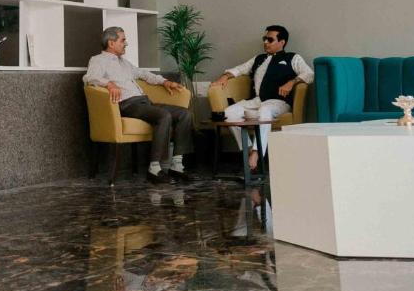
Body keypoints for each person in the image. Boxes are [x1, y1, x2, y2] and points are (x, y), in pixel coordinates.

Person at [84, 26, 194, 184]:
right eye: (122, 40)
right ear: (111, 43)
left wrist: (165, 81)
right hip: (127, 104)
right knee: (163, 115)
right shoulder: (98, 60)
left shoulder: (124, 63)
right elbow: (89, 78)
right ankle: (154, 168)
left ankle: (176, 164)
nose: (126, 43)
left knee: (185, 114)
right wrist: (109, 84)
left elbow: (143, 74)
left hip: (144, 102)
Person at [210, 25, 314, 170]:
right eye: (264, 39)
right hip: (257, 100)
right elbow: (240, 69)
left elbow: (309, 74)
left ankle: (256, 153)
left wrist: (292, 82)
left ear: (282, 42)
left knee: (264, 111)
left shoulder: (292, 57)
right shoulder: (259, 58)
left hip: (278, 102)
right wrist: (224, 76)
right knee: (228, 114)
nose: (265, 42)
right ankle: (247, 148)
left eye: (270, 40)